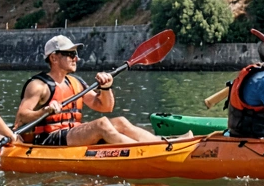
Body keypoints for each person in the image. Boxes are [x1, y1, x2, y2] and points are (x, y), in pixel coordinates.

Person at [15, 35, 161, 146]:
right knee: (100, 125)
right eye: (71, 54)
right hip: (48, 139)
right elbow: (22, 115)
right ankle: (140, 151)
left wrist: (105, 88)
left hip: (71, 134)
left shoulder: (76, 82)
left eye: (76, 54)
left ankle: (159, 145)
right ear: (54, 58)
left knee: (121, 122)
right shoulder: (38, 85)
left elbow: (105, 107)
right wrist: (45, 111)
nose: (76, 58)